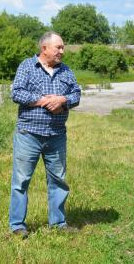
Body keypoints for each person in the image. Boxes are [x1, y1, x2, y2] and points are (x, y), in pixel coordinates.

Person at [9, 31, 81, 239]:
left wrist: (63, 100)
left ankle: (58, 223)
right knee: (21, 181)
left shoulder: (66, 71)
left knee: (58, 180)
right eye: (58, 47)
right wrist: (44, 101)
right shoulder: (27, 67)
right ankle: (17, 225)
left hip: (57, 135)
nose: (62, 51)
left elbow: (76, 94)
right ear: (44, 48)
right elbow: (17, 93)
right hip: (28, 134)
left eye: (63, 47)